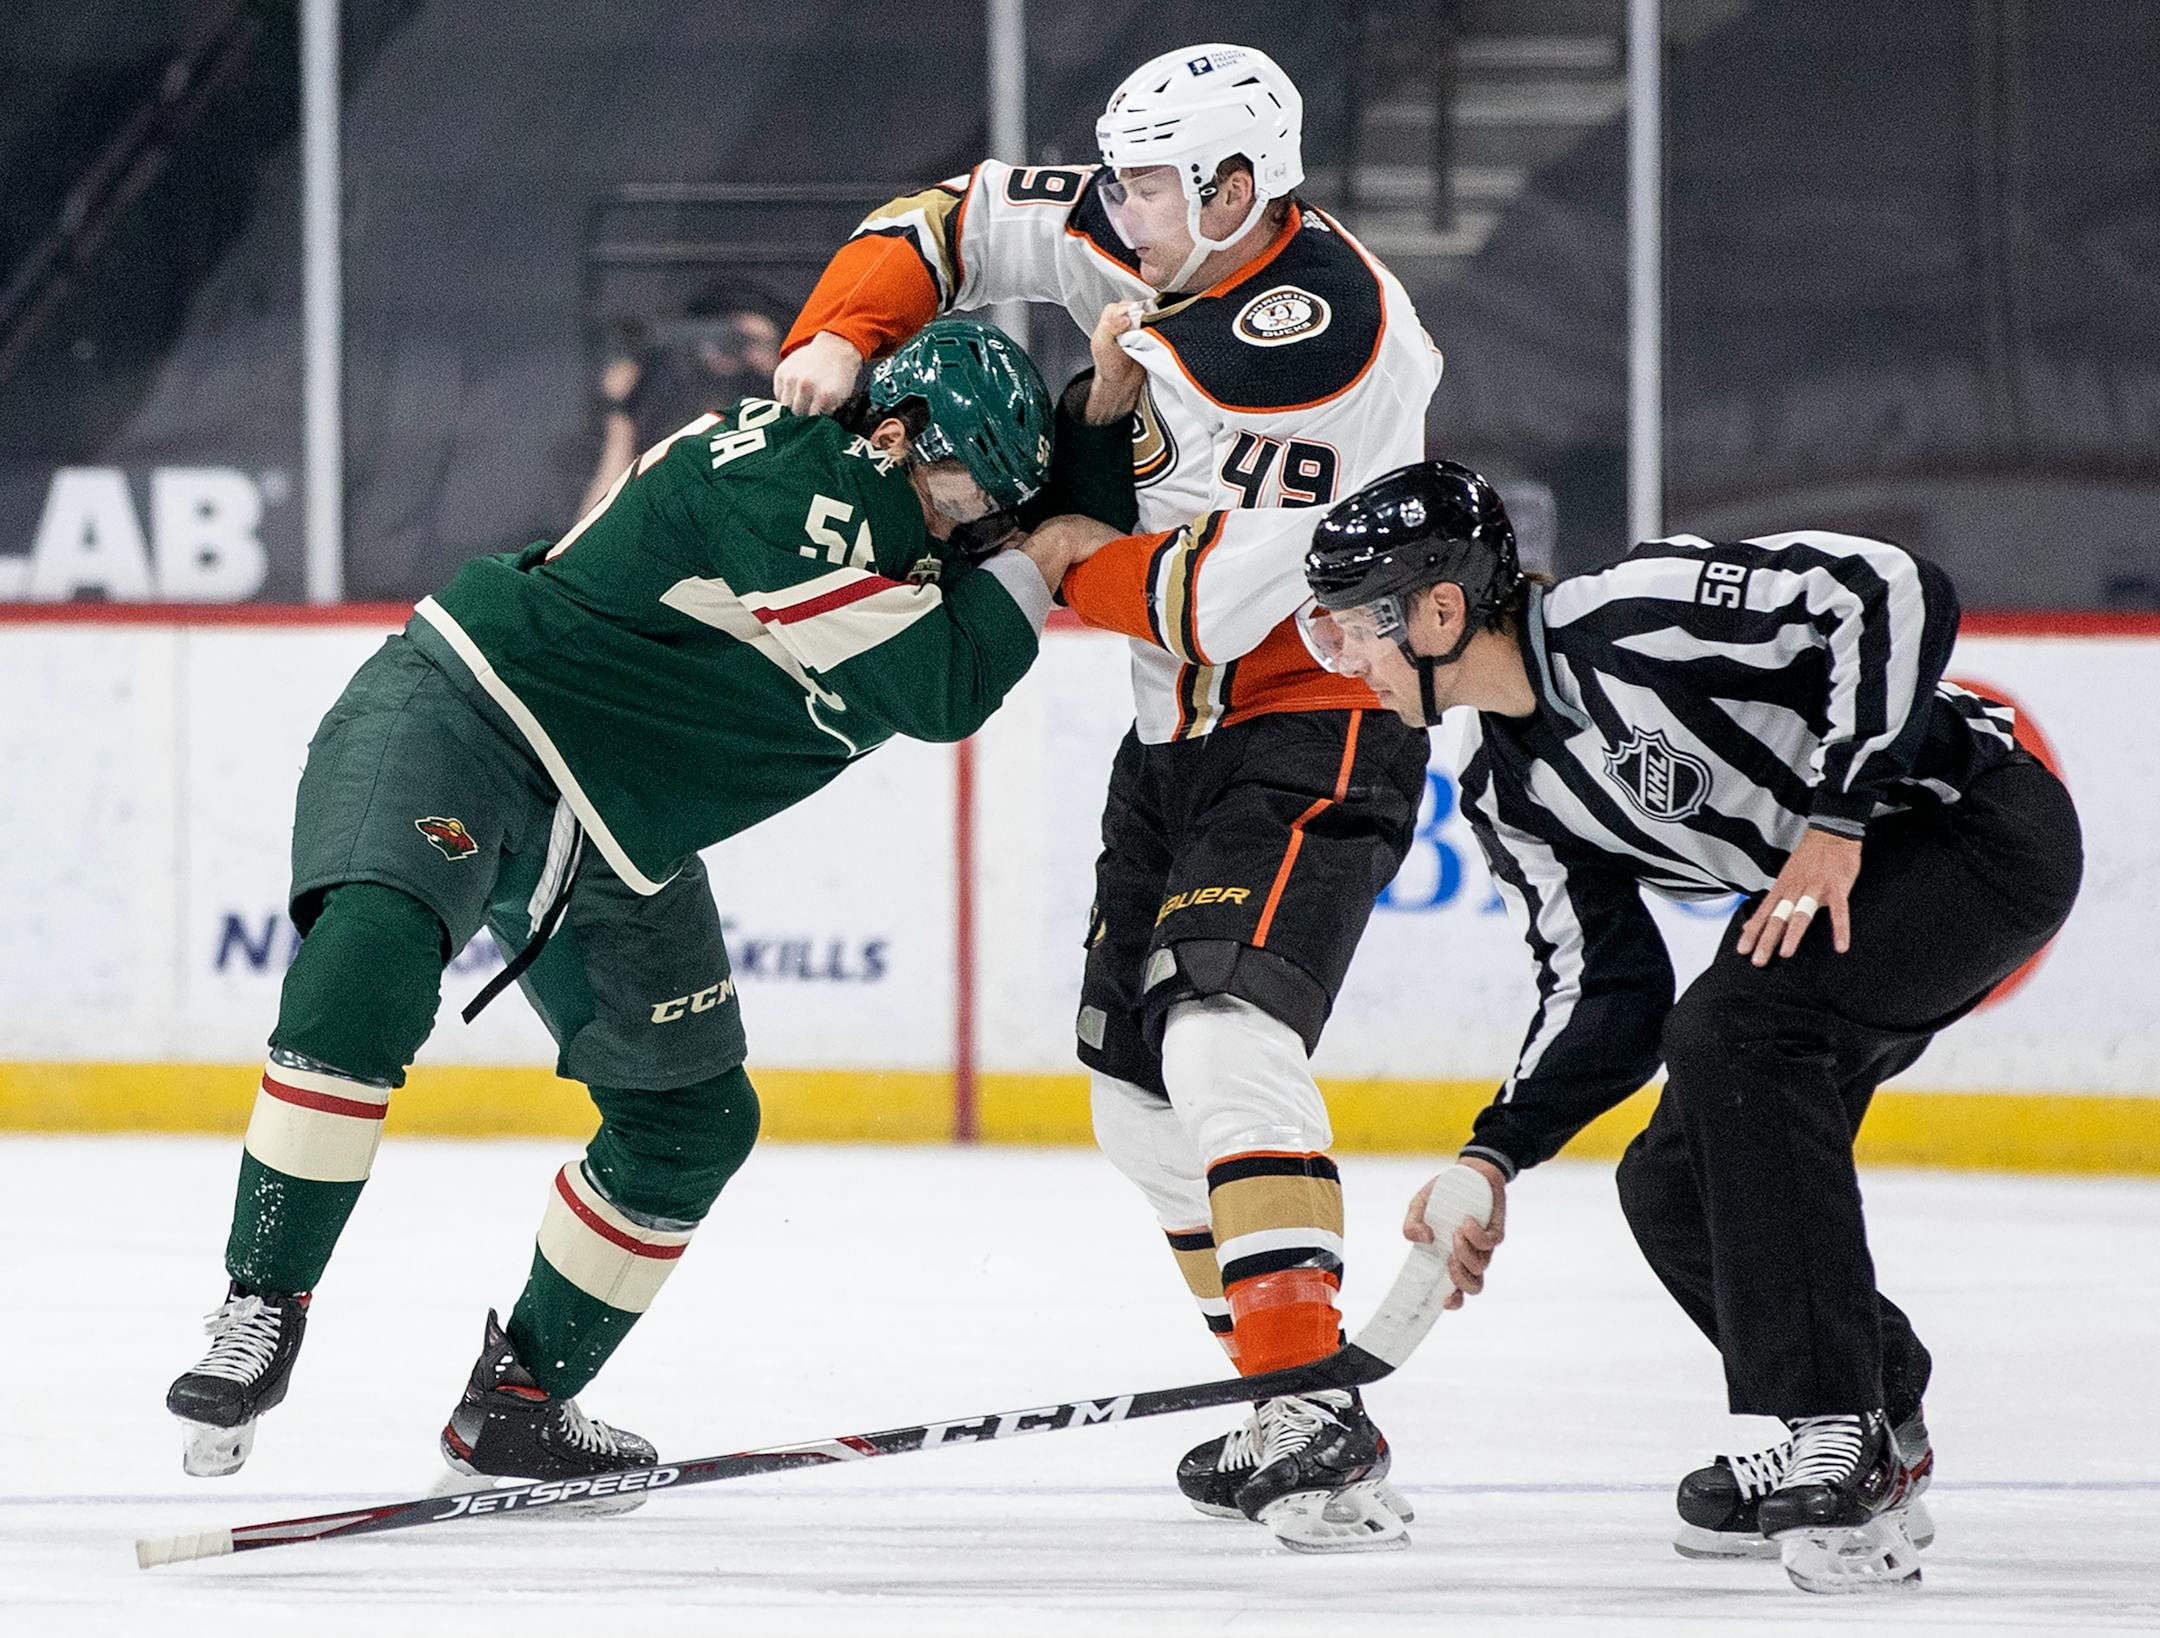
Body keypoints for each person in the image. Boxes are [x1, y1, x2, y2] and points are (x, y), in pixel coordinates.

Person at [164, 318, 1098, 1492]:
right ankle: (261, 1304)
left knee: (692, 1124)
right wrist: (1053, 546)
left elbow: (1056, 494)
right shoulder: (802, 488)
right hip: (471, 713)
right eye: (965, 485)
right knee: (375, 947)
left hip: (611, 824)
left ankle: (519, 1405)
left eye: (996, 505)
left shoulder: (916, 511)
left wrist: (1109, 392)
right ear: (895, 433)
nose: (978, 521)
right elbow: (949, 687)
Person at [772, 42, 1446, 1551]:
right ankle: (1293, 1401)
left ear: (1232, 187)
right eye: (1125, 176)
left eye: (1146, 182)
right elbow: (943, 220)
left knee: (1219, 1034)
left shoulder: (1321, 350)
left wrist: (1057, 528)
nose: (1114, 206)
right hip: (1175, 740)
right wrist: (837, 335)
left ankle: (1314, 1406)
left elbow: (1200, 604)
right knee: (1136, 1098)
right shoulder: (1162, 229)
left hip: (1320, 711)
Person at [1300, 460, 2083, 1592]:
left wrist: (1838, 812)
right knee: (1667, 1180)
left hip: (1979, 834)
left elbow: (1893, 590)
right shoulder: (1510, 797)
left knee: (1734, 1029)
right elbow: (1607, 999)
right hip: (1836, 899)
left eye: (1354, 632)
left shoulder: (1633, 611)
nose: (1348, 666)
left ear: (1438, 608)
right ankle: (1882, 1408)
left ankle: (1834, 1429)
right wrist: (1492, 1153)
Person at [578, 286, 791, 517]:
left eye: (761, 345)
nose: (741, 354)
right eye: (731, 339)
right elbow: (584, 539)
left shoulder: (776, 424)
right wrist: (620, 419)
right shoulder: (649, 417)